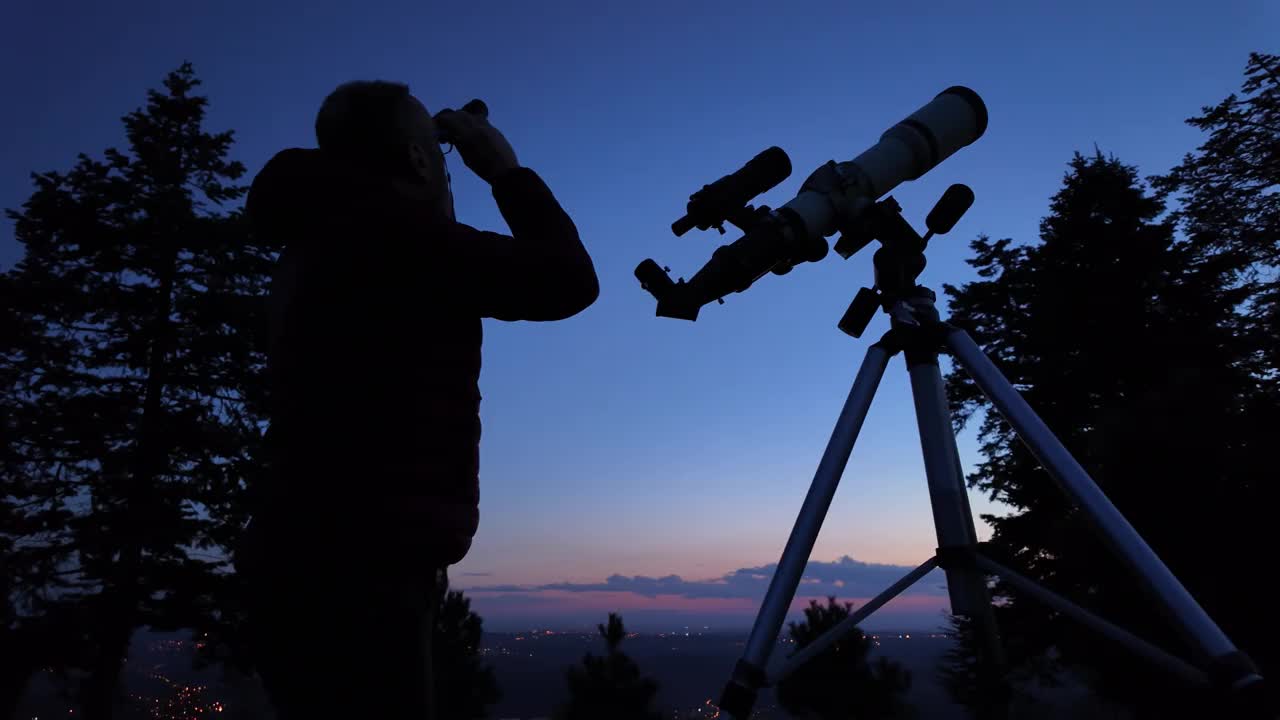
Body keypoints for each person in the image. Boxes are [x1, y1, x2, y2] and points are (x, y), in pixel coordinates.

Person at [238, 80, 599, 719]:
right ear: (413, 158)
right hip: (364, 574)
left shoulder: (320, 240)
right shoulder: (394, 239)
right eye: (435, 152)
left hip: (304, 554)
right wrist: (503, 170)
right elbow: (568, 280)